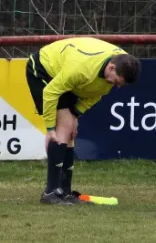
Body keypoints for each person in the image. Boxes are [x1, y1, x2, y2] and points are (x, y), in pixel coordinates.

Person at [26, 37, 141, 205]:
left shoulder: (122, 65)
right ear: (111, 67)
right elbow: (50, 93)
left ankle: (65, 192)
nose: (116, 86)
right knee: (64, 125)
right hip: (43, 68)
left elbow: (96, 94)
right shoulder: (81, 69)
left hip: (64, 73)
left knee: (70, 127)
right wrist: (50, 129)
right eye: (116, 82)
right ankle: (50, 192)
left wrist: (76, 115)